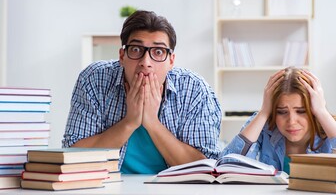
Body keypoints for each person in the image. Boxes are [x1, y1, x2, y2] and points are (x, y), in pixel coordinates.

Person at [62, 10, 222, 174]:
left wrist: (152, 122)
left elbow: (206, 167)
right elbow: (71, 155)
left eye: (158, 52)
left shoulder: (194, 89)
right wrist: (130, 122)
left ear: (171, 60)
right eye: (136, 50)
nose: (146, 63)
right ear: (122, 55)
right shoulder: (94, 79)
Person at [221, 67, 336, 174]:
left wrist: (321, 111)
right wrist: (263, 113)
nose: (291, 121)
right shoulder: (264, 126)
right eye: (282, 112)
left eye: (301, 111)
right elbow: (226, 167)